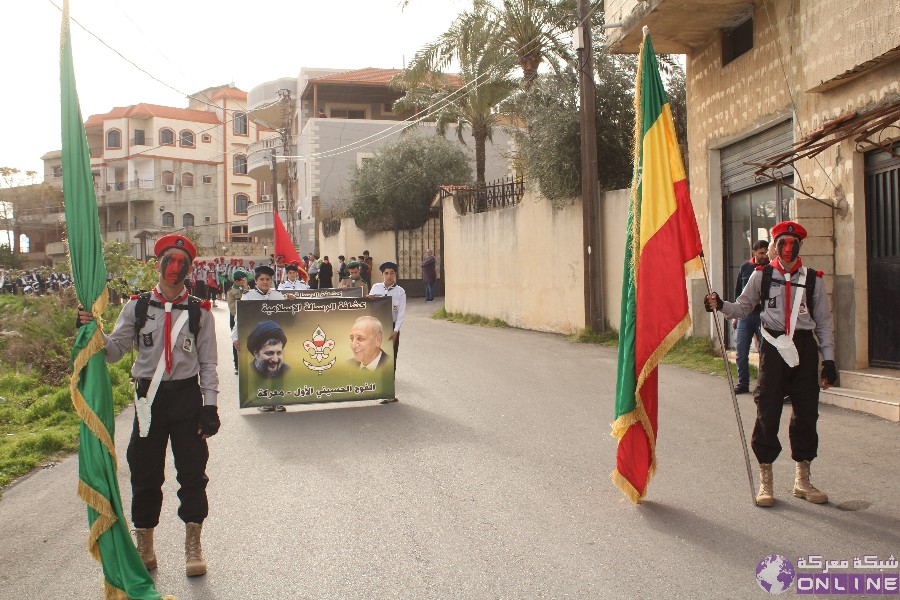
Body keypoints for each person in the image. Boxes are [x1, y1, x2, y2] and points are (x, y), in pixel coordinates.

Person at [77, 234, 219, 577]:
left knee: (192, 474)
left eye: (181, 264)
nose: (174, 269)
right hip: (147, 400)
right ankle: (146, 546)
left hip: (186, 398)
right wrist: (91, 328)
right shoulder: (136, 307)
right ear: (156, 265)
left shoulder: (200, 312)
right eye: (168, 262)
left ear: (189, 269)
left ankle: (193, 546)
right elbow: (113, 353)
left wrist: (210, 406)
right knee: (144, 473)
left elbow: (210, 364)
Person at [704, 221, 836, 508]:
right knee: (768, 409)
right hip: (774, 347)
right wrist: (721, 304)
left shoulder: (813, 279)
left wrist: (829, 360)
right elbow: (743, 307)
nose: (788, 248)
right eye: (783, 242)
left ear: (800, 246)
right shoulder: (761, 276)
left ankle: (802, 481)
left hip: (803, 347)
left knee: (806, 413)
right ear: (775, 245)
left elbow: (824, 323)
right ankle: (767, 481)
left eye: (794, 242)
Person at [232, 264, 287, 412]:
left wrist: (291, 299)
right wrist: (235, 337)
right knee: (261, 370)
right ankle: (264, 401)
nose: (265, 282)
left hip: (275, 341)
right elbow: (239, 318)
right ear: (255, 281)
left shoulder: (277, 295)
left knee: (278, 369)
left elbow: (288, 312)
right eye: (262, 279)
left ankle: (278, 399)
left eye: (268, 279)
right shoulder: (248, 296)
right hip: (259, 341)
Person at [732, 240, 770, 394]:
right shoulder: (745, 268)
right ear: (754, 252)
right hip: (745, 316)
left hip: (764, 316)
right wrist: (736, 316)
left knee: (765, 353)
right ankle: (743, 383)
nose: (764, 255)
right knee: (741, 352)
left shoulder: (770, 268)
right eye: (761, 253)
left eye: (766, 252)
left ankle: (763, 385)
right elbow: (738, 293)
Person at [369, 261, 406, 383]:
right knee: (376, 356)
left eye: (392, 273)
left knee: (391, 357)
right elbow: (368, 306)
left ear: (395, 274)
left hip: (392, 326)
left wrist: (396, 331)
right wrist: (370, 299)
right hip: (377, 328)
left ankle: (389, 389)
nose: (389, 276)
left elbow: (401, 313)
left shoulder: (400, 292)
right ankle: (377, 385)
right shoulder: (375, 288)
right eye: (386, 273)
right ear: (382, 274)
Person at [226, 269, 249, 374]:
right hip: (236, 318)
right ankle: (237, 365)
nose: (244, 282)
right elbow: (232, 308)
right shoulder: (231, 292)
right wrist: (241, 315)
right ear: (236, 281)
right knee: (236, 342)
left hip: (247, 318)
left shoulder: (246, 289)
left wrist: (246, 289)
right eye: (242, 280)